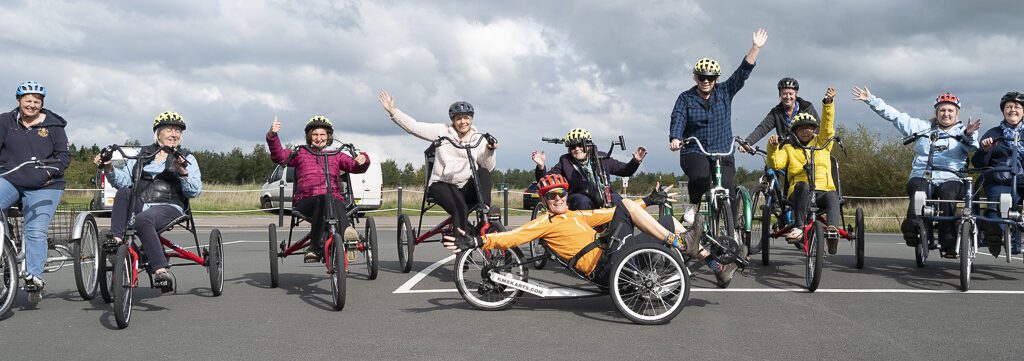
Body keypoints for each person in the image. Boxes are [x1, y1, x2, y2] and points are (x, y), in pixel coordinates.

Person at [444, 174, 741, 287]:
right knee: (627, 206)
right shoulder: (546, 223)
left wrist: (650, 200)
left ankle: (715, 266)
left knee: (665, 219)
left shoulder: (576, 215)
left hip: (615, 256)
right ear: (545, 201)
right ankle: (680, 242)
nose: (558, 199)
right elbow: (513, 237)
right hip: (604, 267)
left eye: (561, 194)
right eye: (552, 197)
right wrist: (477, 240)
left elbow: (609, 213)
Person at [853, 86, 981, 258]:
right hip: (923, 174)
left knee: (948, 193)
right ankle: (913, 227)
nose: (946, 114)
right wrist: (871, 100)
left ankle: (949, 241)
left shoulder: (963, 131)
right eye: (942, 110)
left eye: (950, 110)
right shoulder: (922, 127)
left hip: (951, 177)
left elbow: (972, 146)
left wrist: (969, 134)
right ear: (936, 112)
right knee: (919, 189)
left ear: (956, 113)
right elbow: (895, 116)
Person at [94, 111, 201, 290]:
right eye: (169, 130)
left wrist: (182, 171)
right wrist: (109, 168)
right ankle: (117, 242)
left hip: (169, 205)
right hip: (142, 202)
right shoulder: (142, 155)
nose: (174, 134)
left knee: (143, 219)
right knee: (124, 193)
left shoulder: (187, 158)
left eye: (178, 131)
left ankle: (160, 270)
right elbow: (123, 181)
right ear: (158, 133)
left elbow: (194, 191)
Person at [670, 28, 768, 209]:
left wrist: (755, 47)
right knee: (701, 177)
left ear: (716, 79)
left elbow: (742, 73)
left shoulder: (724, 92)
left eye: (711, 78)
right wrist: (675, 137)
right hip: (695, 149)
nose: (706, 81)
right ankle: (693, 205)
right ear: (695, 78)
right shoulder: (685, 98)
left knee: (729, 189)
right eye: (702, 78)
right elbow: (678, 117)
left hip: (722, 150)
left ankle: (732, 225)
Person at [378, 90, 496, 233]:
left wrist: (490, 150)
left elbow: (488, 166)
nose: (463, 122)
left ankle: (485, 212)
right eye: (458, 118)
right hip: (442, 184)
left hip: (466, 185)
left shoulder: (478, 138)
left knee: (483, 172)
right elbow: (415, 127)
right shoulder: (442, 131)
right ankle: (461, 239)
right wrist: (393, 111)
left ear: (471, 119)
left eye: (466, 118)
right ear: (453, 120)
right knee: (459, 207)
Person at [0, 81, 71, 302]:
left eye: (37, 101)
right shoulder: (5, 121)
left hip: (45, 184)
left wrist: (50, 171)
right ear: (19, 100)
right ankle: (6, 243)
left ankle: (34, 277)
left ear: (42, 104)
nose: (32, 105)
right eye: (28, 100)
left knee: (35, 229)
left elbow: (63, 156)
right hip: (11, 178)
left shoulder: (54, 126)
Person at [266, 115, 370, 262]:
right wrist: (272, 135)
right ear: (309, 136)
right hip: (306, 202)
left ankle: (347, 235)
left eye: (322, 134)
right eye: (315, 134)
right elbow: (279, 156)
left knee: (336, 200)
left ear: (328, 137)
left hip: (333, 201)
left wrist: (363, 159)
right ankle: (314, 247)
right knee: (323, 199)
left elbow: (356, 167)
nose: (319, 138)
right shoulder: (300, 153)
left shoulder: (336, 155)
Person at [767, 88, 840, 253]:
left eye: (809, 128)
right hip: (799, 192)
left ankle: (832, 232)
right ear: (795, 132)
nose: (805, 131)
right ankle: (799, 228)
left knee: (832, 195)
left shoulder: (822, 143)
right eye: (801, 129)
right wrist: (772, 148)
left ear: (814, 130)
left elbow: (827, 126)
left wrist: (828, 103)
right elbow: (776, 164)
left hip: (822, 190)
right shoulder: (788, 148)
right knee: (802, 185)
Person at [531, 127, 645, 210]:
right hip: (580, 196)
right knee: (583, 202)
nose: (577, 149)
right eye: (572, 147)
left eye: (580, 145)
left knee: (617, 201)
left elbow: (625, 170)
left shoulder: (602, 157)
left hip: (604, 194)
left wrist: (635, 161)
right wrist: (541, 166)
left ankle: (618, 232)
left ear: (589, 145)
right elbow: (546, 180)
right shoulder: (565, 161)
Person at [972, 91, 1024, 257]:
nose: (1013, 110)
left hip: (1022, 180)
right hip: (1000, 180)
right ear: (1003, 111)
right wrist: (985, 149)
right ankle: (994, 233)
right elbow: (978, 163)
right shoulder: (993, 133)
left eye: (1017, 107)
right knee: (997, 201)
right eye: (1009, 107)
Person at [741, 77, 820, 154]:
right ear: (780, 95)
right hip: (785, 153)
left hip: (807, 152)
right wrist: (747, 142)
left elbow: (819, 128)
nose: (788, 97)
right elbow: (762, 128)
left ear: (796, 94)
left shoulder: (806, 108)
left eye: (790, 94)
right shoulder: (776, 112)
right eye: (784, 94)